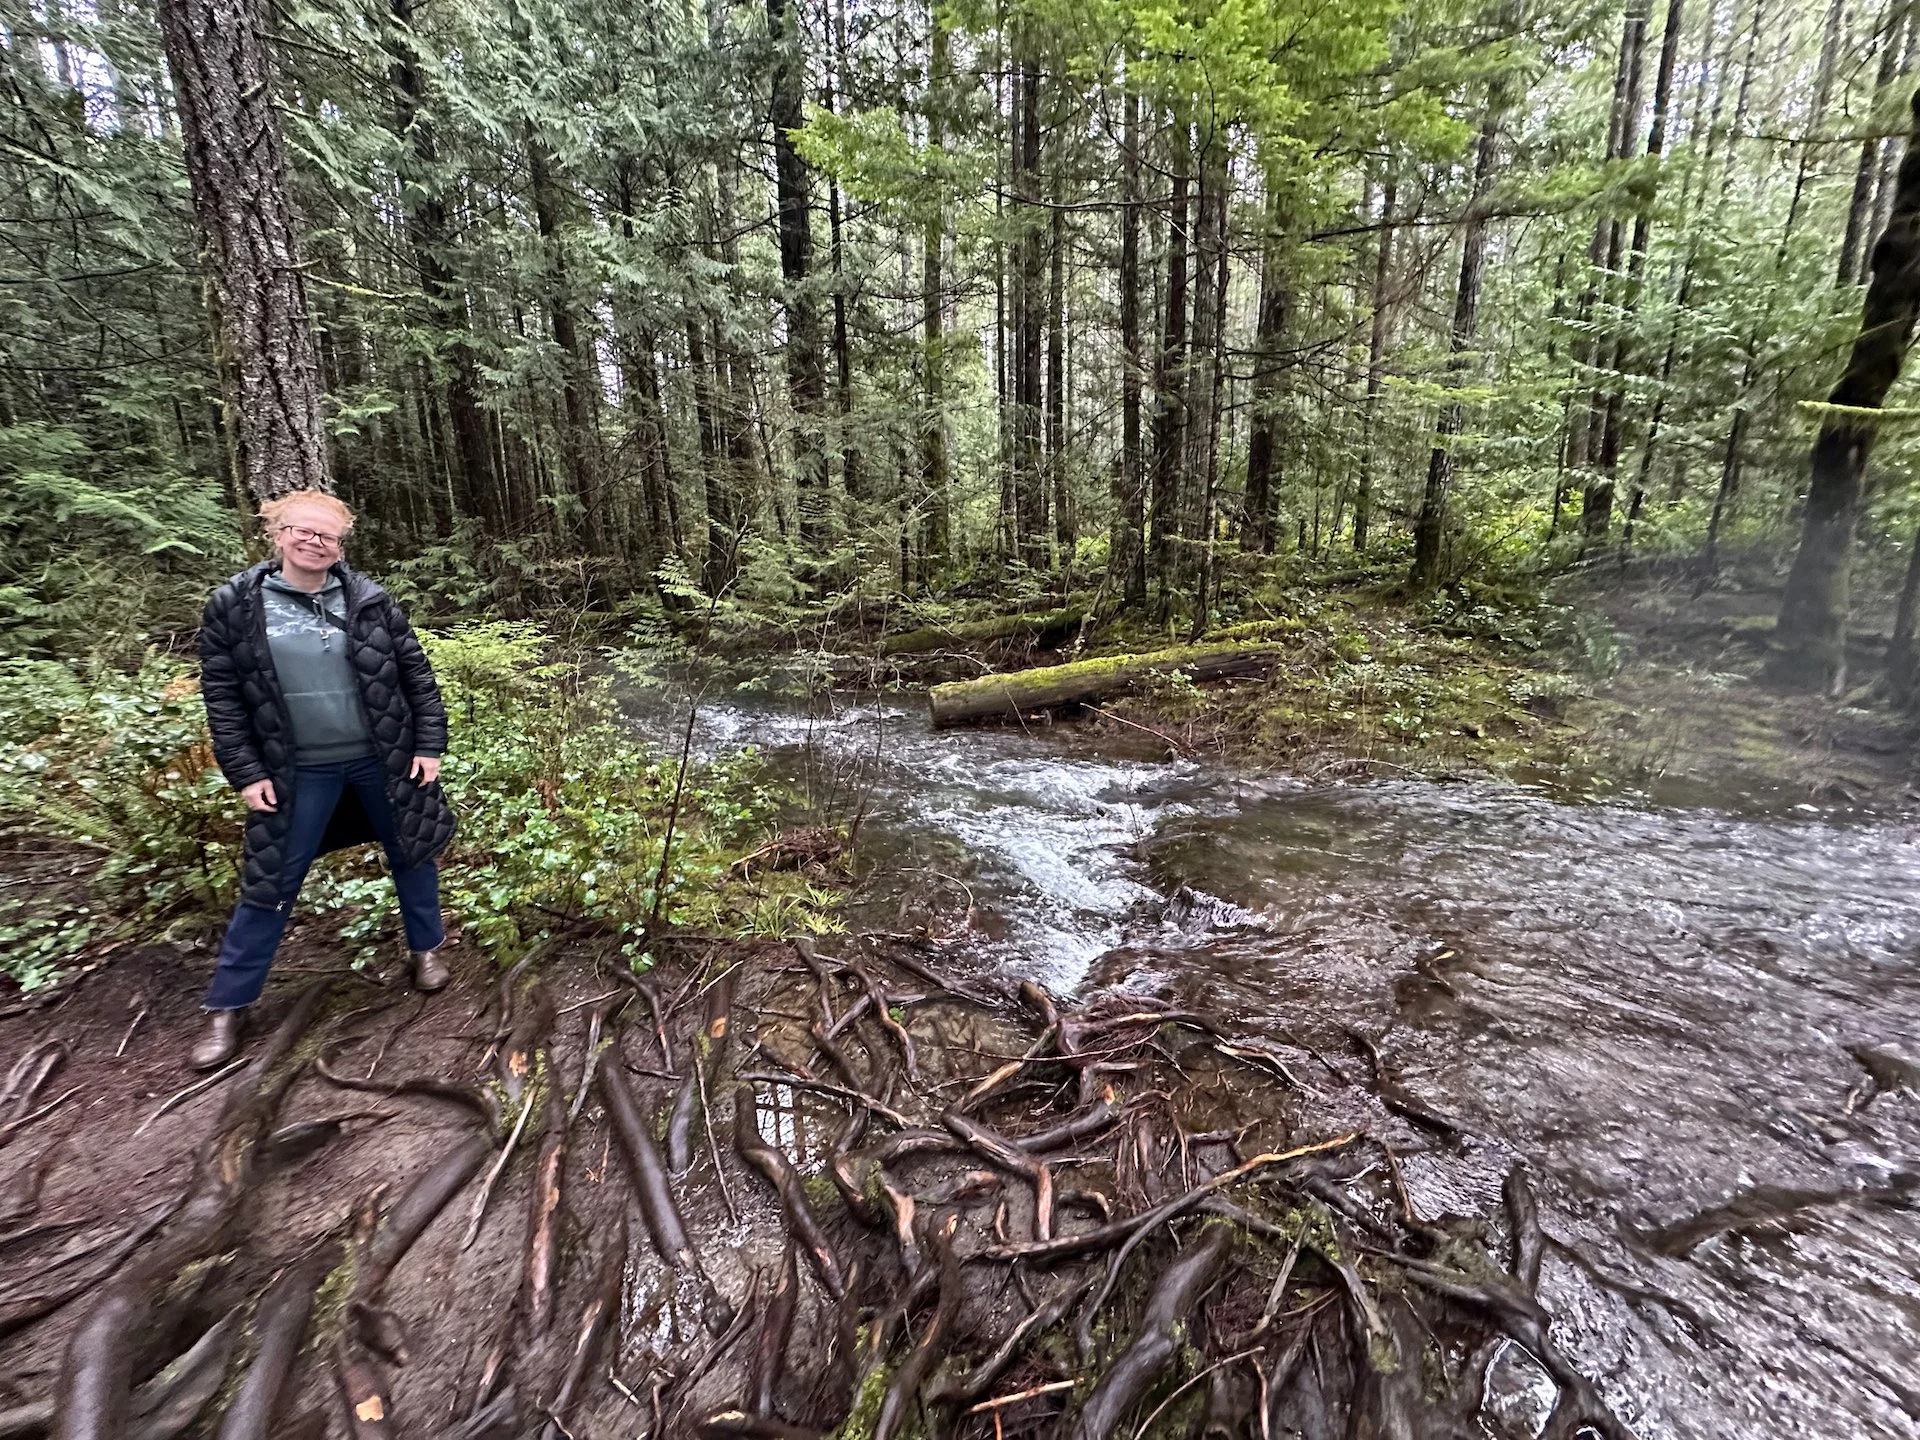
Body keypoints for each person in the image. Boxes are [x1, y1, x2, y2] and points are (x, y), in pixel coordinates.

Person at [192, 490, 457, 1068]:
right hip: (295, 768)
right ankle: (229, 1004)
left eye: (328, 536)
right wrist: (245, 770)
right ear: (278, 533)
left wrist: (430, 743)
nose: (315, 543)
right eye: (303, 532)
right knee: (271, 877)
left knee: (413, 852)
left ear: (341, 545)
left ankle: (426, 951)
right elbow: (224, 697)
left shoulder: (369, 600)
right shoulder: (236, 604)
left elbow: (416, 674)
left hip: (382, 758)